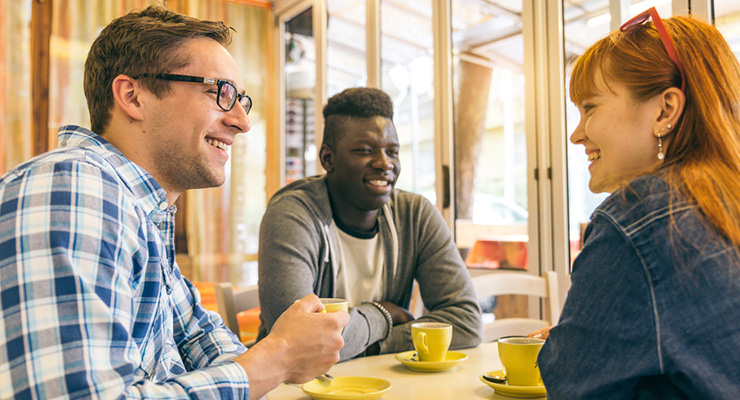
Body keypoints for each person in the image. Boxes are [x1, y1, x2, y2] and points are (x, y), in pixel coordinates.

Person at [0, 6, 348, 399]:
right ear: (132, 97)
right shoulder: (72, 190)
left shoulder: (140, 211)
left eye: (241, 100)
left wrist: (276, 358)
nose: (242, 121)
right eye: (221, 93)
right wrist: (278, 356)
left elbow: (201, 338)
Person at [536, 8, 740, 399]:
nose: (577, 134)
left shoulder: (639, 217)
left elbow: (572, 388)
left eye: (590, 107)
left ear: (665, 110)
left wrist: (563, 351)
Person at [257, 87, 483, 360]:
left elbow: (466, 323)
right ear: (328, 159)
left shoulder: (415, 215)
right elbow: (295, 344)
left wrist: (374, 345)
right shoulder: (293, 214)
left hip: (382, 382)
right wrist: (381, 315)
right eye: (365, 150)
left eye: (393, 151)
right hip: (295, 387)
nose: (384, 163)